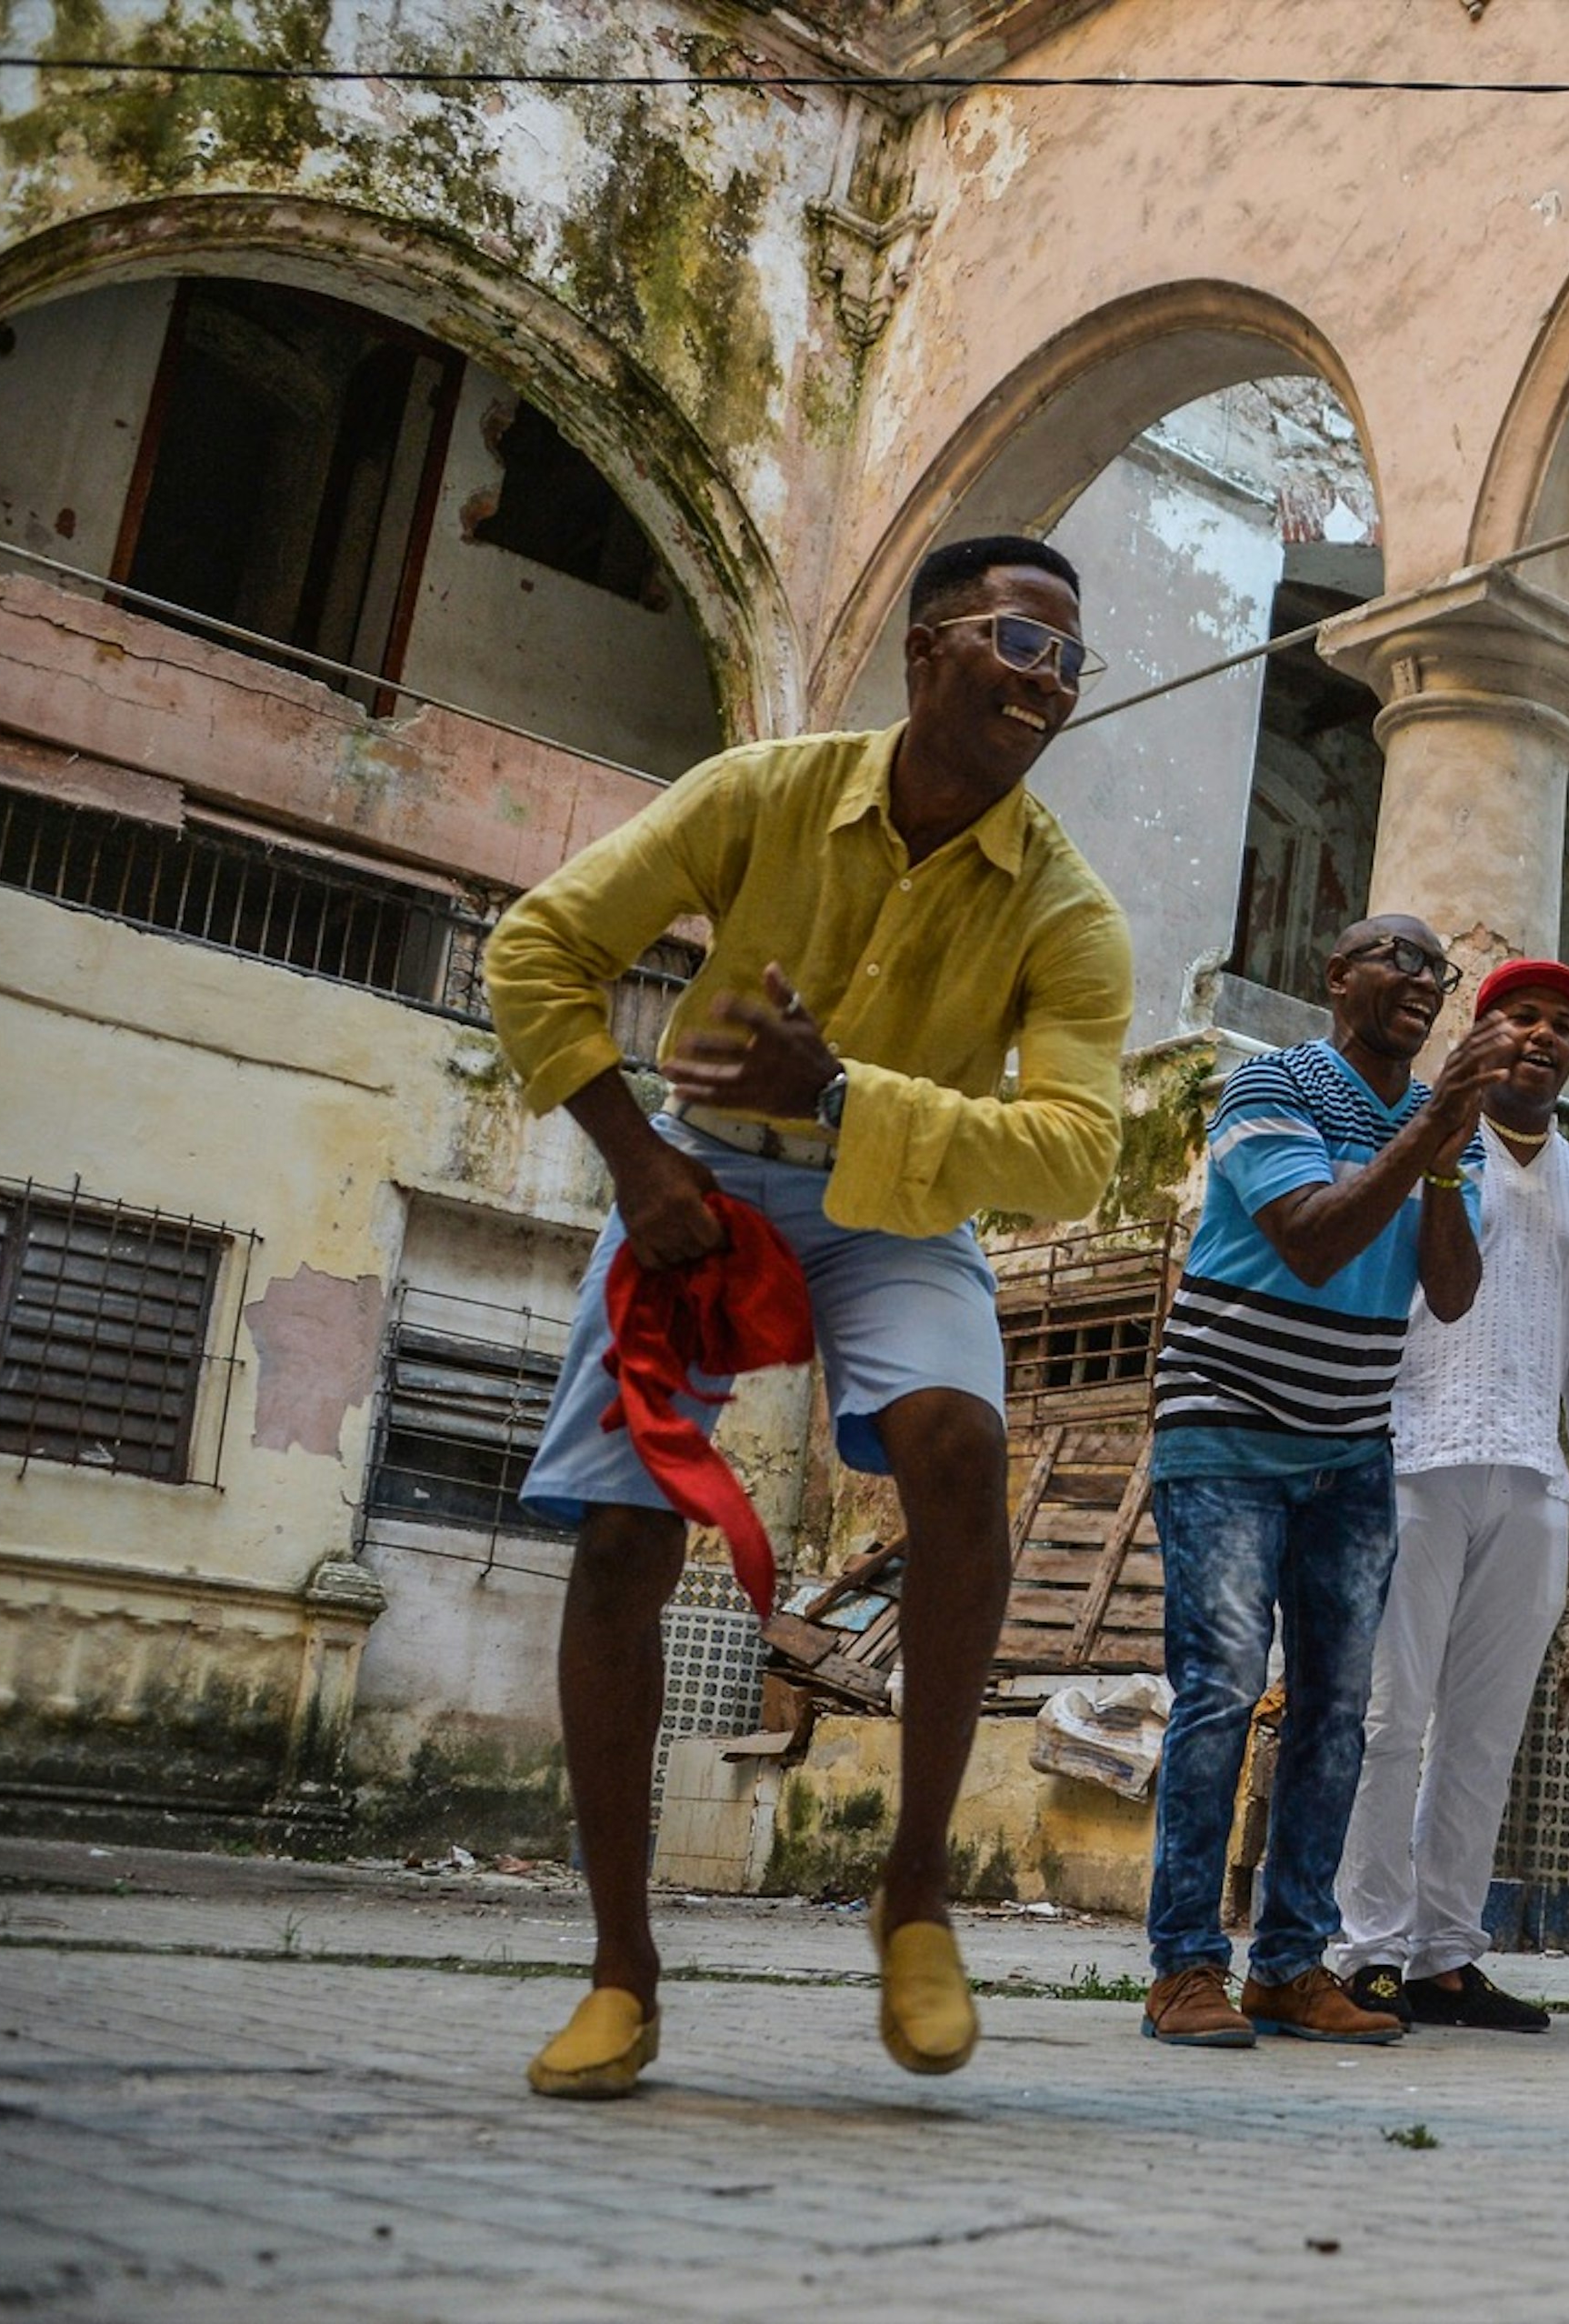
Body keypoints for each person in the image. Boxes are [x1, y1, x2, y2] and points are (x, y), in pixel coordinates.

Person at [488, 535, 1134, 2099]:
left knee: (960, 1449)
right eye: (1020, 642)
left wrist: (839, 1091)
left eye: (1070, 662)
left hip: (897, 1204)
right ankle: (621, 1975)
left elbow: (1075, 1146)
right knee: (627, 1539)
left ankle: (912, 1891)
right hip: (697, 1175)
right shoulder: (758, 794)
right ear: (928, 652)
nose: (1047, 682)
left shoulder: (1067, 908)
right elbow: (538, 953)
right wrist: (641, 1162)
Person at [1136, 916, 1519, 2049]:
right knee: (1217, 1693)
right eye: (1396, 957)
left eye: (1435, 969)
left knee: (1338, 1713)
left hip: (1350, 1441)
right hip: (1227, 1430)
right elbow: (1311, 1238)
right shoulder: (1273, 1086)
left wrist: (1447, 1143)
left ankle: (1290, 1966)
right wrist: (1434, 1127)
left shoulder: (1452, 1130)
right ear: (1335, 974)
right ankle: (1183, 1967)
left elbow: (1449, 1292)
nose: (1423, 978)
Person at [1329, 958, 1569, 2035]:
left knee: (1486, 1728)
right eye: (1520, 1015)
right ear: (1480, 1030)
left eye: (1563, 1023)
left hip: (1532, 1479)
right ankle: (1363, 1949)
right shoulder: (1420, 1138)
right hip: (1409, 1456)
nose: (1542, 1035)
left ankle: (1445, 1956)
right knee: (1387, 1719)